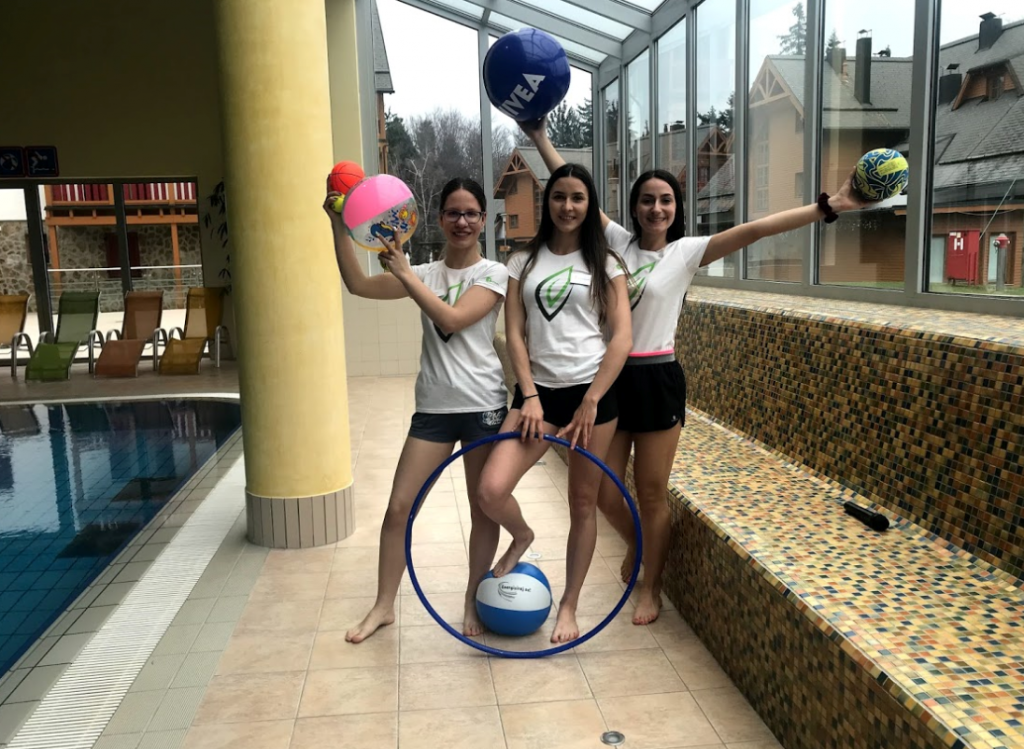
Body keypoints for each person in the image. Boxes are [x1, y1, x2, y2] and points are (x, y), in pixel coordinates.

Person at [520, 118, 869, 625]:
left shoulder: (685, 253)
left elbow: (756, 230)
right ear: (634, 208)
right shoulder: (617, 242)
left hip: (657, 379)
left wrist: (826, 207)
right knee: (604, 492)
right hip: (611, 380)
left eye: (665, 200)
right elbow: (574, 187)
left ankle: (652, 586)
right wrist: (539, 137)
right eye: (647, 200)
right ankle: (641, 543)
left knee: (652, 492)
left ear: (676, 208)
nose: (656, 208)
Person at [325, 176, 512, 643]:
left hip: (483, 406)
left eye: (471, 213)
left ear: (483, 220)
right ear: (439, 219)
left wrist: (407, 275)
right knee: (398, 509)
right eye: (453, 213)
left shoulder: (493, 273)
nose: (462, 221)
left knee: (482, 510)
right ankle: (383, 607)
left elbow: (453, 318)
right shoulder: (425, 272)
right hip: (433, 408)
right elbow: (357, 284)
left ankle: (471, 597)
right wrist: (338, 225)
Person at [475, 162, 633, 644]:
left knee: (582, 503)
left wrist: (591, 400)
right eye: (560, 196)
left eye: (578, 198)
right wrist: (529, 395)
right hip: (537, 397)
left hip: (592, 396)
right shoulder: (522, 262)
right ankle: (522, 536)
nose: (568, 206)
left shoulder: (607, 263)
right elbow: (515, 333)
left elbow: (622, 338)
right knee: (491, 489)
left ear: (590, 204)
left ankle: (569, 605)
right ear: (549, 203)